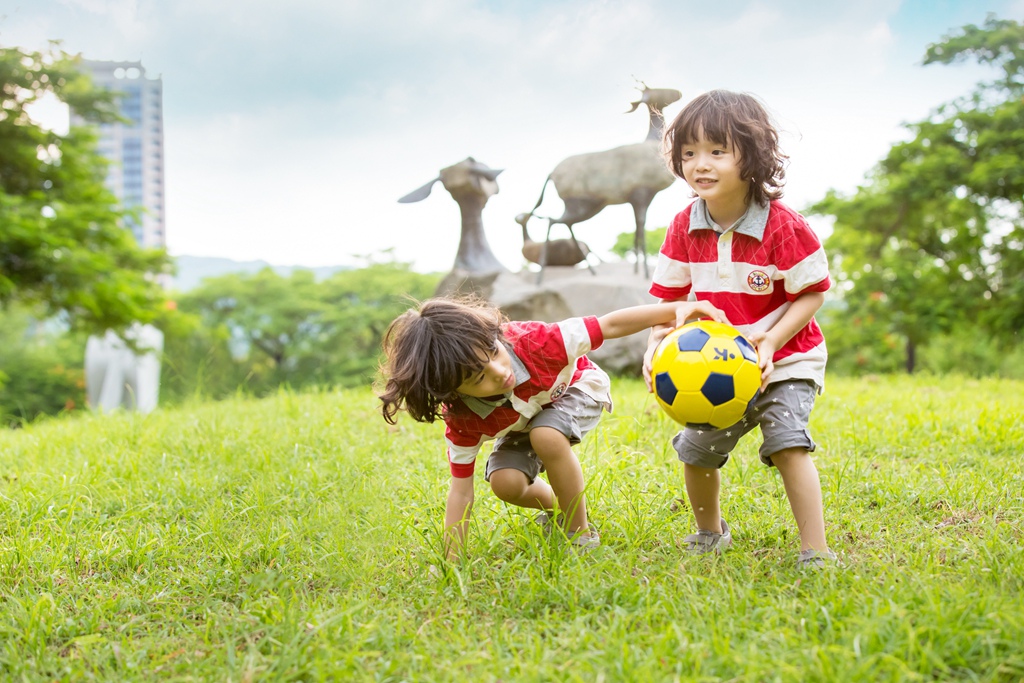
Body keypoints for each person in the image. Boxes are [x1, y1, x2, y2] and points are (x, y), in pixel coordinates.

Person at [644, 89, 838, 569]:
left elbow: (812, 292)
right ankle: (710, 534)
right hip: (716, 363)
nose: (699, 164)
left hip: (787, 357)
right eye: (688, 153)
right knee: (696, 451)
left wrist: (771, 339)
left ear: (751, 155)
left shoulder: (783, 226)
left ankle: (815, 550)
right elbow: (666, 300)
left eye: (716, 151)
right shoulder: (683, 227)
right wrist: (654, 349)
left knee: (788, 443)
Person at [379, 295, 727, 560]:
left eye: (494, 353)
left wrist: (676, 308)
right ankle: (558, 513)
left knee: (546, 434)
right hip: (525, 421)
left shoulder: (537, 342)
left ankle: (580, 534)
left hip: (579, 388)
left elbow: (610, 325)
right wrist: (453, 560)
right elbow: (461, 492)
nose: (499, 372)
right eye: (478, 377)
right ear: (453, 391)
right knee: (505, 483)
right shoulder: (464, 418)